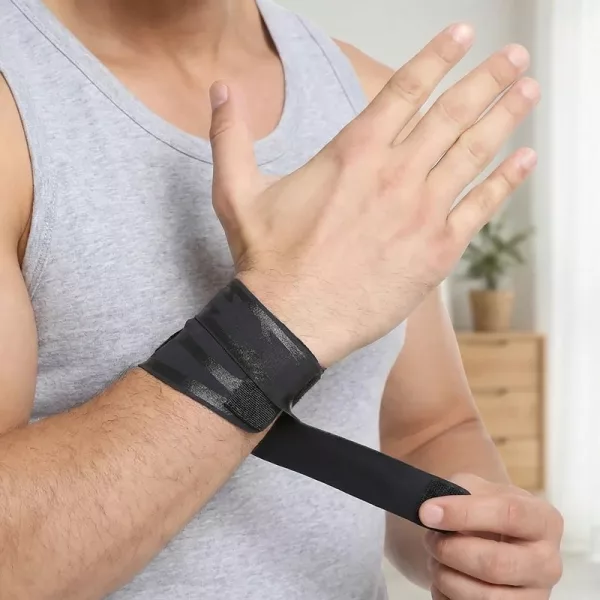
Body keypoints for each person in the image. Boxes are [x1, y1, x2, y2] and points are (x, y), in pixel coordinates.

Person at [0, 0, 563, 598]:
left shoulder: (365, 99)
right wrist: (281, 317)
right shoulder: (17, 100)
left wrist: (480, 545)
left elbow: (428, 426)